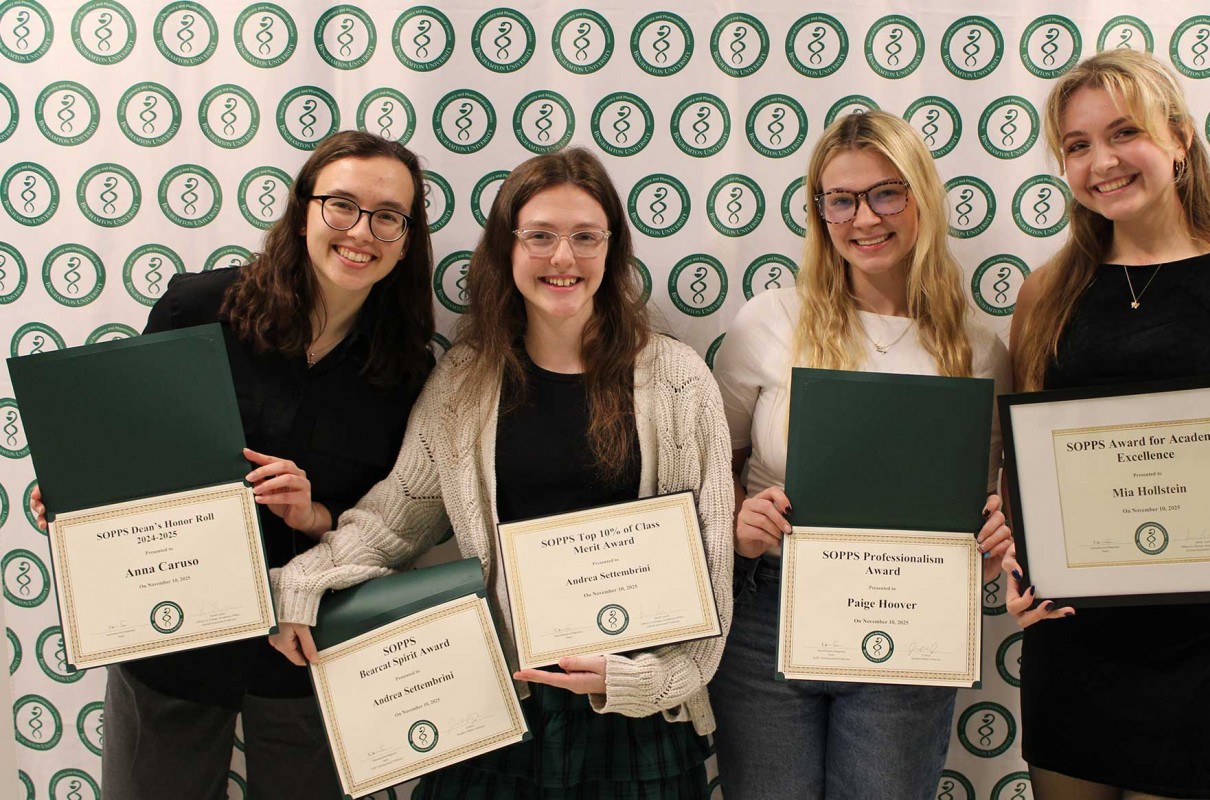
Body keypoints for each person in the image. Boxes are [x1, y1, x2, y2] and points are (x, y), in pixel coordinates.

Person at [266, 146, 734, 799]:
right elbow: (395, 517)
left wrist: (643, 680)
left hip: (635, 718)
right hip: (490, 706)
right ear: (506, 250)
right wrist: (302, 584)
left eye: (584, 237)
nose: (562, 258)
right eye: (539, 236)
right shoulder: (465, 381)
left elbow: (712, 570)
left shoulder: (678, 381)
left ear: (612, 249)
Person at [31, 130, 436, 798]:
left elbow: (392, 522)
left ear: (407, 234)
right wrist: (78, 495)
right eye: (342, 205)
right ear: (304, 209)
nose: (362, 231)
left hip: (302, 651)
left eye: (388, 215)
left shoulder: (406, 368)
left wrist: (314, 514)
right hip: (168, 643)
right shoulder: (200, 309)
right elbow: (127, 447)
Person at [1005, 49, 1210, 800]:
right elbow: (1022, 465)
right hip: (1077, 628)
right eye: (1077, 145)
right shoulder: (1046, 292)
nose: (1102, 161)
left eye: (1124, 133)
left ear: (1179, 138)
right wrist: (1018, 560)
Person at [706, 110, 1014, 799]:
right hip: (769, 613)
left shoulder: (977, 348)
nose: (862, 218)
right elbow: (709, 463)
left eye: (885, 192)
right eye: (838, 199)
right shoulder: (768, 320)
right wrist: (735, 516)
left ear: (921, 198)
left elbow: (985, 496)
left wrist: (998, 527)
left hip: (911, 620)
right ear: (819, 212)